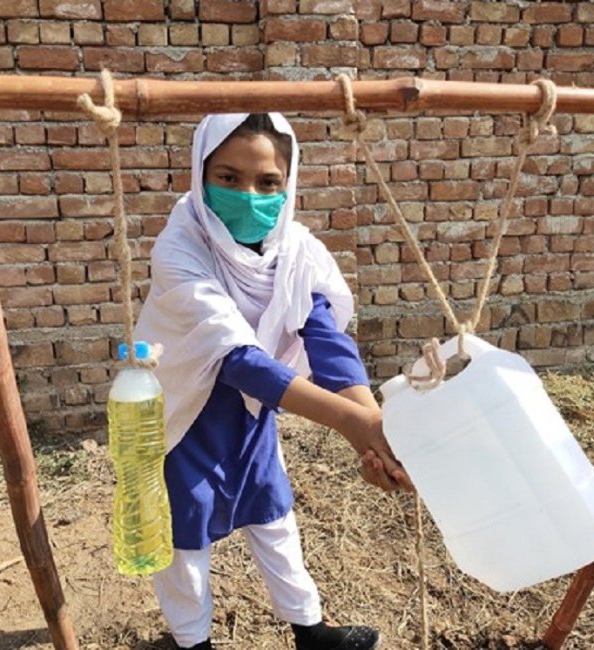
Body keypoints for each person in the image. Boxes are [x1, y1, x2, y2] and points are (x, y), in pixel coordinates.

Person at [134, 112, 412, 650]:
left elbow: (323, 334)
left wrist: (371, 420)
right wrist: (352, 421)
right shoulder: (181, 247)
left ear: (288, 183)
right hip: (186, 412)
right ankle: (193, 642)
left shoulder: (297, 250)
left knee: (273, 514)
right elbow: (235, 357)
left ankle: (311, 632)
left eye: (268, 183)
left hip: (253, 409)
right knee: (185, 534)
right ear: (200, 173)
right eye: (229, 178)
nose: (249, 195)